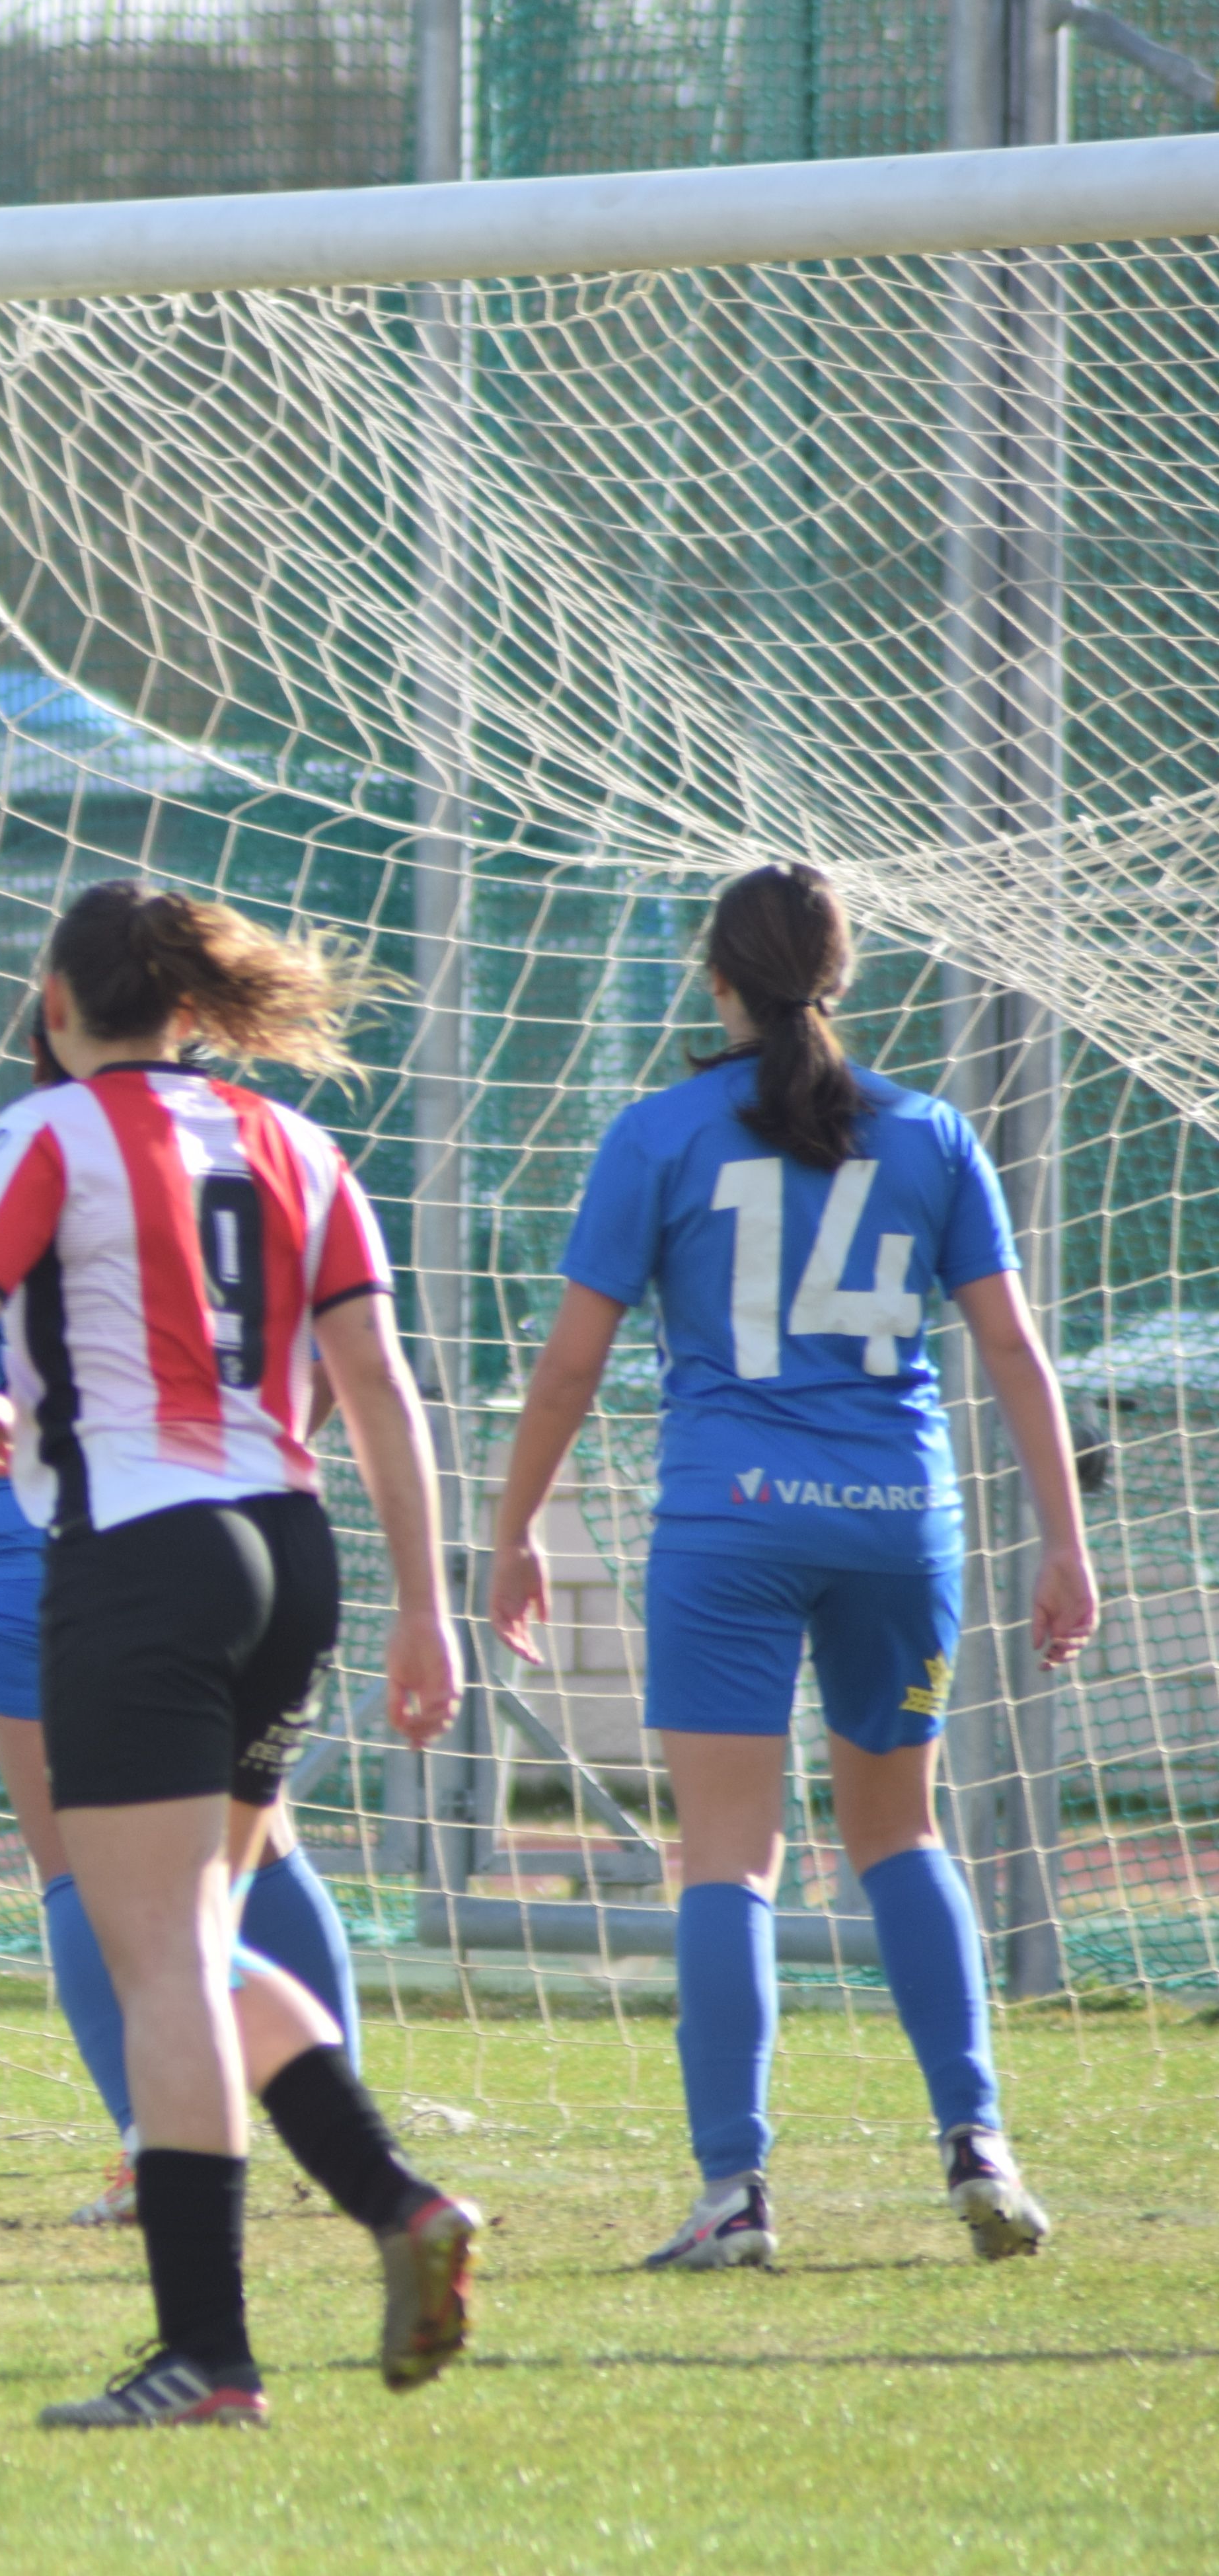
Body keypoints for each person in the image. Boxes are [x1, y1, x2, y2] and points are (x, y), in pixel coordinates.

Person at [0, 880, 477, 2428]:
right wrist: (426, 1601)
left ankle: (210, 2356)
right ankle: (395, 2200)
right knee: (204, 1941)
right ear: (199, 1005)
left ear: (57, 1003)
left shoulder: (48, 1131)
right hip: (292, 1557)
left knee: (155, 1961)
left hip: (143, 1559)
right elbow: (378, 1381)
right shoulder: (299, 1142)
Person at [486, 860, 1088, 2272]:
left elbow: (572, 1363)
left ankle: (735, 2192)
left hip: (731, 1521)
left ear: (716, 978)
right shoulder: (934, 1133)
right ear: (844, 972)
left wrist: (512, 1527)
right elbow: (1012, 1349)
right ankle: (978, 2141)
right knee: (900, 1834)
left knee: (727, 1856)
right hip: (896, 1519)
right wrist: (1064, 1536)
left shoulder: (658, 1134)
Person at [0, 1017, 366, 2228]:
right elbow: (346, 1360)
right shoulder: (267, 1151)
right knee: (256, 1857)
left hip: (66, 1554)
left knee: (87, 1879)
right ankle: (342, 2129)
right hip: (260, 1538)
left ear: (55, 1025)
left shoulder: (20, 1156)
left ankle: (148, 2146)